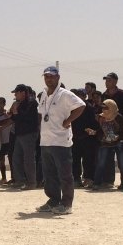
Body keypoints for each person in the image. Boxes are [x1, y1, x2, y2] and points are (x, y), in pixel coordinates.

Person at [36, 66, 86, 214]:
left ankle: (67, 203)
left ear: (58, 78)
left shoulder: (65, 94)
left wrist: (68, 120)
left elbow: (81, 106)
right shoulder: (44, 94)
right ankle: (53, 200)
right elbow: (41, 113)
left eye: (51, 76)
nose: (48, 79)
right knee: (49, 174)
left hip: (60, 141)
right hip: (46, 141)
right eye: (46, 76)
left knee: (64, 174)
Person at [102, 71, 123, 190]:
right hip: (108, 130)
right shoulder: (104, 95)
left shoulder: (122, 94)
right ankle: (108, 181)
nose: (106, 82)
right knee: (108, 157)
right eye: (106, 80)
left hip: (121, 130)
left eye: (109, 80)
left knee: (122, 157)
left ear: (115, 81)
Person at [6, 84, 40, 190]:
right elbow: (16, 119)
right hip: (20, 134)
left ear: (23, 93)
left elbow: (27, 117)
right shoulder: (19, 104)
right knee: (16, 158)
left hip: (29, 134)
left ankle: (31, 182)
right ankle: (20, 181)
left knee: (28, 159)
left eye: (16, 93)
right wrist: (12, 113)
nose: (15, 95)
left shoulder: (32, 103)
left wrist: (16, 111)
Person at [92, 99, 123, 190]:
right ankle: (96, 183)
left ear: (112, 108)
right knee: (101, 163)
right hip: (106, 142)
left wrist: (118, 137)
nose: (104, 110)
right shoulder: (101, 118)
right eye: (103, 108)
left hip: (119, 142)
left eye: (106, 108)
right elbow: (100, 130)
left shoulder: (118, 117)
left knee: (122, 163)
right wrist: (94, 133)